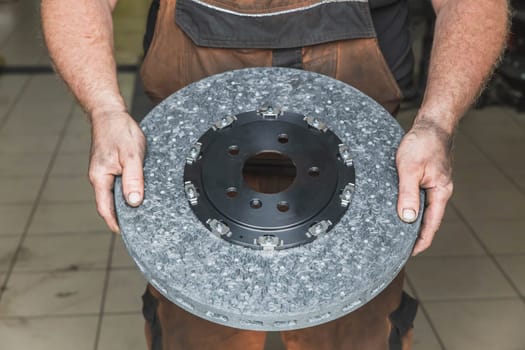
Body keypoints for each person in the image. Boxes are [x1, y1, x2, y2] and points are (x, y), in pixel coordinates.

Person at [41, 0, 508, 349]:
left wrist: (437, 123)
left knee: (353, 334)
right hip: (191, 130)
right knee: (198, 333)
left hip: (358, 139)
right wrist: (104, 110)